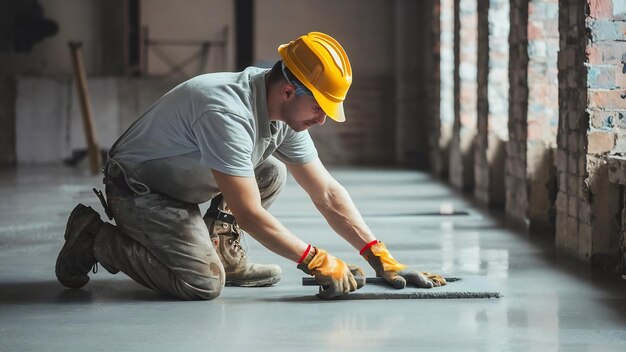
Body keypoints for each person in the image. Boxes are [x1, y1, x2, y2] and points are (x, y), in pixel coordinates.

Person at [55, 32, 446, 300]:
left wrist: (377, 254)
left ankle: (222, 249)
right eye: (319, 108)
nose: (322, 120)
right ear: (289, 90)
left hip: (183, 178)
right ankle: (95, 238)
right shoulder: (226, 111)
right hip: (141, 190)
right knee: (202, 286)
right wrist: (315, 258)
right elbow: (250, 212)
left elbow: (325, 191)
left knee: (269, 171)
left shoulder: (282, 114)